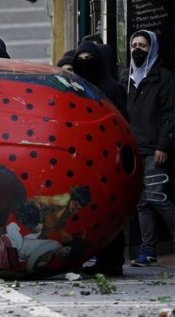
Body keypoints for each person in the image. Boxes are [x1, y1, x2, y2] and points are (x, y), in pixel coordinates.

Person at [72, 41, 127, 276]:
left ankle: (113, 260)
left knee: (109, 209)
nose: (86, 64)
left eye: (89, 59)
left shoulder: (113, 89)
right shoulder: (75, 88)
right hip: (84, 159)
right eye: (81, 59)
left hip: (108, 158)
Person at [121, 30, 174, 267]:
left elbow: (169, 114)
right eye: (134, 45)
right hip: (133, 149)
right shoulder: (126, 78)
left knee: (157, 196)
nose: (137, 49)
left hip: (154, 149)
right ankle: (147, 250)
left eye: (143, 45)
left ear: (152, 48)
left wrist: (163, 144)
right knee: (142, 202)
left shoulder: (163, 78)